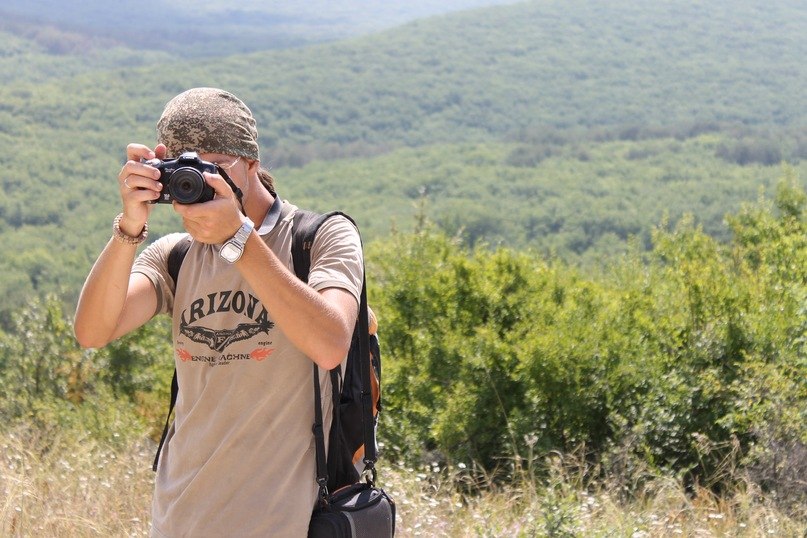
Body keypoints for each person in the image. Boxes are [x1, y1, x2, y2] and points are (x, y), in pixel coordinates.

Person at [74, 87, 364, 537]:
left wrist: (240, 240)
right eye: (184, 168)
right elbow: (93, 331)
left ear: (251, 164)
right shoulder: (176, 257)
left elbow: (330, 344)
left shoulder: (320, 237)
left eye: (214, 165)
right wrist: (129, 225)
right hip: (177, 521)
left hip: (283, 523)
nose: (200, 180)